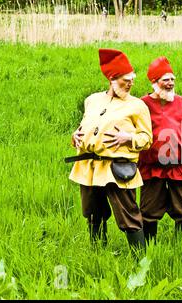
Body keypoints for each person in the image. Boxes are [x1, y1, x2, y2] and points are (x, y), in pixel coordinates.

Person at [68, 49, 152, 256]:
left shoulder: (137, 106)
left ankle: (140, 260)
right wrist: (75, 136)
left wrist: (129, 138)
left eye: (132, 79)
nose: (131, 83)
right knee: (93, 213)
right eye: (126, 80)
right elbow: (86, 126)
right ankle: (97, 253)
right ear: (112, 79)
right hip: (88, 167)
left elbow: (147, 139)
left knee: (129, 214)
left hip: (118, 167)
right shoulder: (92, 100)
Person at [139, 57, 182, 245]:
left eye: (172, 79)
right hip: (152, 167)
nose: (170, 84)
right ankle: (148, 249)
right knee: (148, 211)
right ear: (154, 82)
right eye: (165, 80)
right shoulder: (142, 104)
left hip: (181, 166)